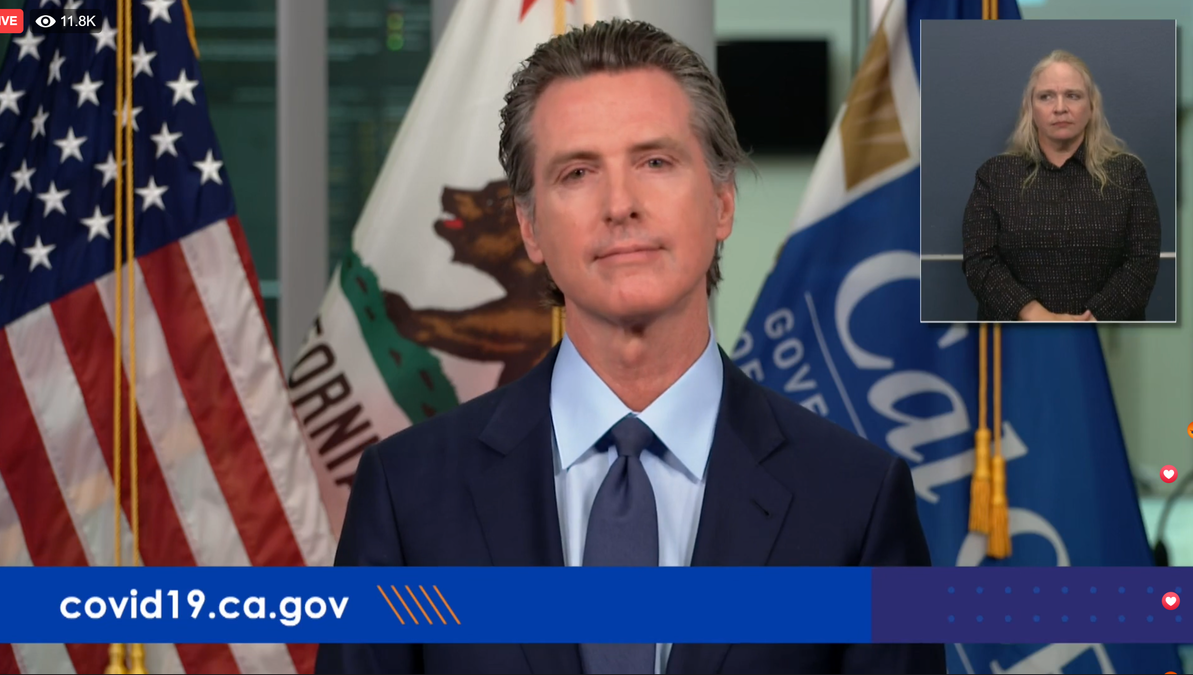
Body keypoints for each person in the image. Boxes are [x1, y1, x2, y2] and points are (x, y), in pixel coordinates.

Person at [316, 19, 944, 675]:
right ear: (530, 227)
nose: (620, 204)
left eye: (655, 162)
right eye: (578, 171)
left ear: (723, 202)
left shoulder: (856, 499)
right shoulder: (407, 492)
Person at [962, 50, 1161, 322]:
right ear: (1030, 108)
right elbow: (979, 262)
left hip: (1106, 337)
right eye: (1046, 96)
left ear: (1091, 106)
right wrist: (1039, 317)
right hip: (1019, 336)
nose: (1059, 108)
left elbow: (1142, 261)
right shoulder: (995, 176)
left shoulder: (1128, 174)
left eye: (1072, 95)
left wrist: (1092, 320)